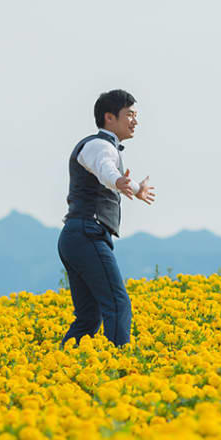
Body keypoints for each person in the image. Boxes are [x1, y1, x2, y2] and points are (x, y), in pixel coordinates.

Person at [58, 89, 156, 347]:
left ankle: (60, 368)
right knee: (117, 304)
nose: (135, 121)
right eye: (130, 115)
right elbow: (106, 170)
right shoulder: (100, 145)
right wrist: (118, 181)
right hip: (88, 233)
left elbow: (111, 172)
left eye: (136, 115)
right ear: (109, 117)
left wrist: (136, 188)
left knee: (89, 317)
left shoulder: (101, 146)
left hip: (77, 235)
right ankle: (118, 367)